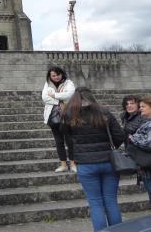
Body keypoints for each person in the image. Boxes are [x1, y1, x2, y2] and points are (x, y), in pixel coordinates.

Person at [62, 87, 124, 231]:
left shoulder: (69, 115)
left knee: (95, 203)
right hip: (109, 162)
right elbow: (120, 136)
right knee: (111, 201)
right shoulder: (104, 112)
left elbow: (67, 140)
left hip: (85, 165)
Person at [42, 66, 76, 172]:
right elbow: (44, 98)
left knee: (70, 140)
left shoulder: (68, 83)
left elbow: (69, 95)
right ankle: (63, 164)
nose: (56, 77)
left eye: (58, 74)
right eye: (53, 75)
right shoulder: (47, 84)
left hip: (67, 115)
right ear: (50, 76)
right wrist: (59, 101)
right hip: (53, 117)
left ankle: (73, 164)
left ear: (62, 74)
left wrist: (54, 95)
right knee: (58, 141)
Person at [128, 96, 151, 201]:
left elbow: (148, 143)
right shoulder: (147, 122)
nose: (140, 108)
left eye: (143, 106)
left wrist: (133, 138)